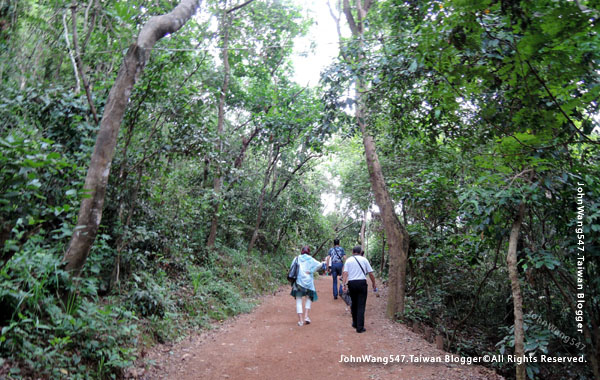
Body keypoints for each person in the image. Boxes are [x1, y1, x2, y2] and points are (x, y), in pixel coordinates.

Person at [342, 245, 377, 333]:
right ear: (361, 252)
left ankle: (355, 323)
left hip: (352, 283)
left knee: (354, 303)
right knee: (361, 304)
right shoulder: (364, 260)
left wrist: (344, 284)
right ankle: (360, 327)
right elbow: (370, 273)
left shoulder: (348, 260)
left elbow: (345, 273)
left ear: (353, 252)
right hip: (362, 283)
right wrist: (373, 283)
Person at [290, 246, 322, 326]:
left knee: (299, 300)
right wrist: (311, 271)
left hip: (299, 282)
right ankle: (306, 317)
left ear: (301, 251)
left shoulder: (297, 258)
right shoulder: (310, 259)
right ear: (308, 252)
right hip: (308, 282)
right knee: (308, 298)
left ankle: (300, 321)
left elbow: (291, 268)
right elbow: (320, 264)